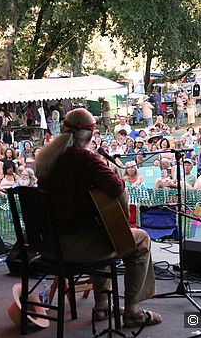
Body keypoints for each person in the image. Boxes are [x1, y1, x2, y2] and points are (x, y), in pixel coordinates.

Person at [35, 108, 161, 327]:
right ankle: (133, 311)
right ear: (91, 135)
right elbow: (117, 188)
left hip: (48, 246)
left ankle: (102, 306)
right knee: (141, 240)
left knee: (102, 236)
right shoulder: (85, 159)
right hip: (77, 247)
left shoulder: (49, 159)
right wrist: (120, 223)